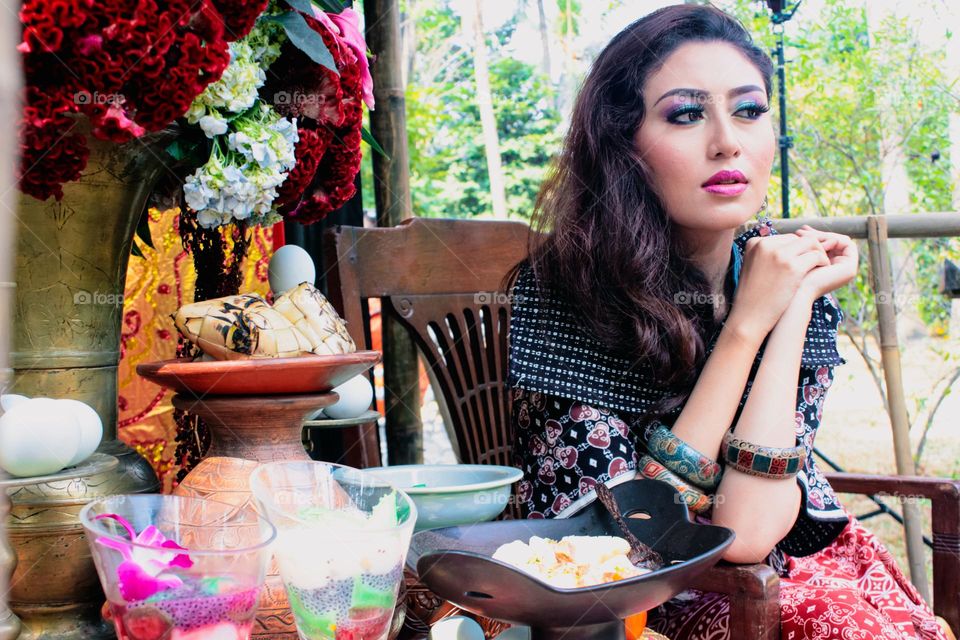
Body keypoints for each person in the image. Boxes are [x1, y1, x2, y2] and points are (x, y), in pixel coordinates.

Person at [505, 4, 948, 639]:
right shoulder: (565, 294)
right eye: (685, 114)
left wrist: (791, 306)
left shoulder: (778, 273)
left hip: (790, 573)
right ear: (622, 144)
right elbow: (639, 539)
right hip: (629, 605)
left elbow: (753, 527)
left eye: (748, 110)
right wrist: (745, 329)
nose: (727, 141)